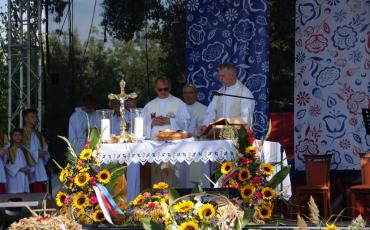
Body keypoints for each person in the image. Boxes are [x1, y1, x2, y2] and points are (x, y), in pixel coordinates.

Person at [143, 76, 190, 188]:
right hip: (155, 148)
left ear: (170, 88)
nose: (163, 92)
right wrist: (151, 123)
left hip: (174, 148)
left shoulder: (179, 103)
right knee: (157, 179)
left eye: (166, 89)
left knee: (174, 179)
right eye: (160, 89)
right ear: (156, 89)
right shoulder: (149, 106)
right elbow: (142, 126)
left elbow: (187, 123)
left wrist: (171, 121)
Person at [200, 63, 255, 134]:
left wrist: (229, 129)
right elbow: (211, 112)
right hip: (218, 135)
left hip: (238, 138)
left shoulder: (245, 93)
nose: (220, 79)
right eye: (219, 76)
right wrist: (205, 125)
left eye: (223, 76)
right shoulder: (219, 92)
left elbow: (246, 119)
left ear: (232, 75)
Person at [110, 93, 140, 203]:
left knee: (131, 176)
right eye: (114, 104)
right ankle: (115, 202)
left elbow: (135, 134)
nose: (116, 107)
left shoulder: (131, 115)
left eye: (118, 104)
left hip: (129, 150)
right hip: (113, 151)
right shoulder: (109, 117)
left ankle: (133, 200)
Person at [182, 84, 211, 188]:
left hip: (200, 148)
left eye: (191, 92)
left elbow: (208, 128)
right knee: (183, 176)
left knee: (201, 179)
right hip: (182, 148)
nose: (188, 95)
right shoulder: (179, 108)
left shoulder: (205, 109)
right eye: (186, 93)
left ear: (196, 94)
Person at [22, 108, 50, 193]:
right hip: (28, 168)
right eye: (32, 116)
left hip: (39, 166)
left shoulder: (38, 134)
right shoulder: (21, 133)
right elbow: (21, 151)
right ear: (25, 118)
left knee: (39, 190)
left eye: (36, 116)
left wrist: (44, 153)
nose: (35, 118)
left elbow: (45, 149)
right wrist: (36, 153)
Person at [5, 128, 35, 193]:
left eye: (19, 135)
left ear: (22, 137)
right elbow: (6, 164)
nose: (17, 137)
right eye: (15, 135)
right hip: (14, 178)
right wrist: (19, 169)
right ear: (11, 137)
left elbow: (30, 162)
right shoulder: (8, 149)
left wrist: (28, 169)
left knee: (24, 196)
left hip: (24, 176)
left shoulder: (24, 149)